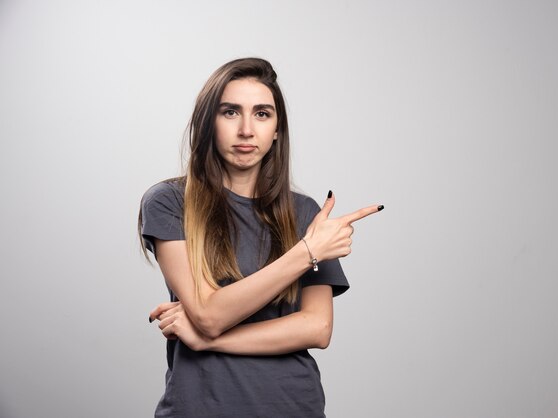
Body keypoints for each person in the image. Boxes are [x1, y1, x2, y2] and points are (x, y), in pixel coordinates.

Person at [138, 57, 383, 417]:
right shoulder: (170, 201)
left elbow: (317, 328)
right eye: (231, 112)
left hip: (293, 405)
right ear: (209, 122)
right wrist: (308, 251)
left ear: (277, 129)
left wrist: (206, 342)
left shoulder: (304, 212)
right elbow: (207, 314)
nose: (247, 130)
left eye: (262, 114)